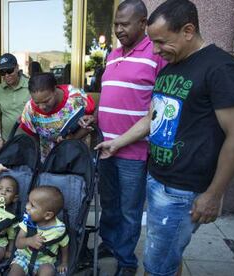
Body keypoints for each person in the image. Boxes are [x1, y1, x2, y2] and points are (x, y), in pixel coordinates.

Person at [95, 0, 234, 275]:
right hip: (159, 179)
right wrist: (116, 142)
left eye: (161, 42)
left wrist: (214, 193)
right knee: (165, 258)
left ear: (188, 31)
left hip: (184, 188)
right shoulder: (170, 67)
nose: (155, 50)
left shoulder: (220, 68)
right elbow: (151, 118)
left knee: (156, 265)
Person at [95, 1, 166, 275]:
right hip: (104, 147)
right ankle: (110, 244)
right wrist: (96, 117)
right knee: (109, 203)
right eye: (116, 24)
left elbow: (156, 109)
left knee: (129, 209)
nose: (118, 29)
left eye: (125, 24)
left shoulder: (155, 53)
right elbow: (113, 94)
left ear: (142, 23)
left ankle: (126, 260)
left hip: (133, 152)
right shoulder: (112, 55)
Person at [20, 72, 95, 161]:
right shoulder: (30, 109)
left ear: (55, 89)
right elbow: (32, 136)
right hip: (49, 162)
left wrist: (72, 139)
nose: (42, 107)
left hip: (78, 158)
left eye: (46, 101)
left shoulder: (76, 97)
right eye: (37, 103)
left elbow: (90, 123)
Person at [8, 186, 69, 276]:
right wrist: (29, 240)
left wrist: (64, 262)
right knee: (15, 270)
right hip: (24, 258)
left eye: (32, 205)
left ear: (47, 215)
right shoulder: (27, 221)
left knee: (48, 270)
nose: (27, 207)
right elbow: (18, 243)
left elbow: (65, 245)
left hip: (45, 262)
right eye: (28, 202)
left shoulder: (59, 230)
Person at [0, 53, 30, 150]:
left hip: (29, 141)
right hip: (8, 141)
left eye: (9, 71)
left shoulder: (30, 86)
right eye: (2, 73)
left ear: (17, 68)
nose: (7, 75)